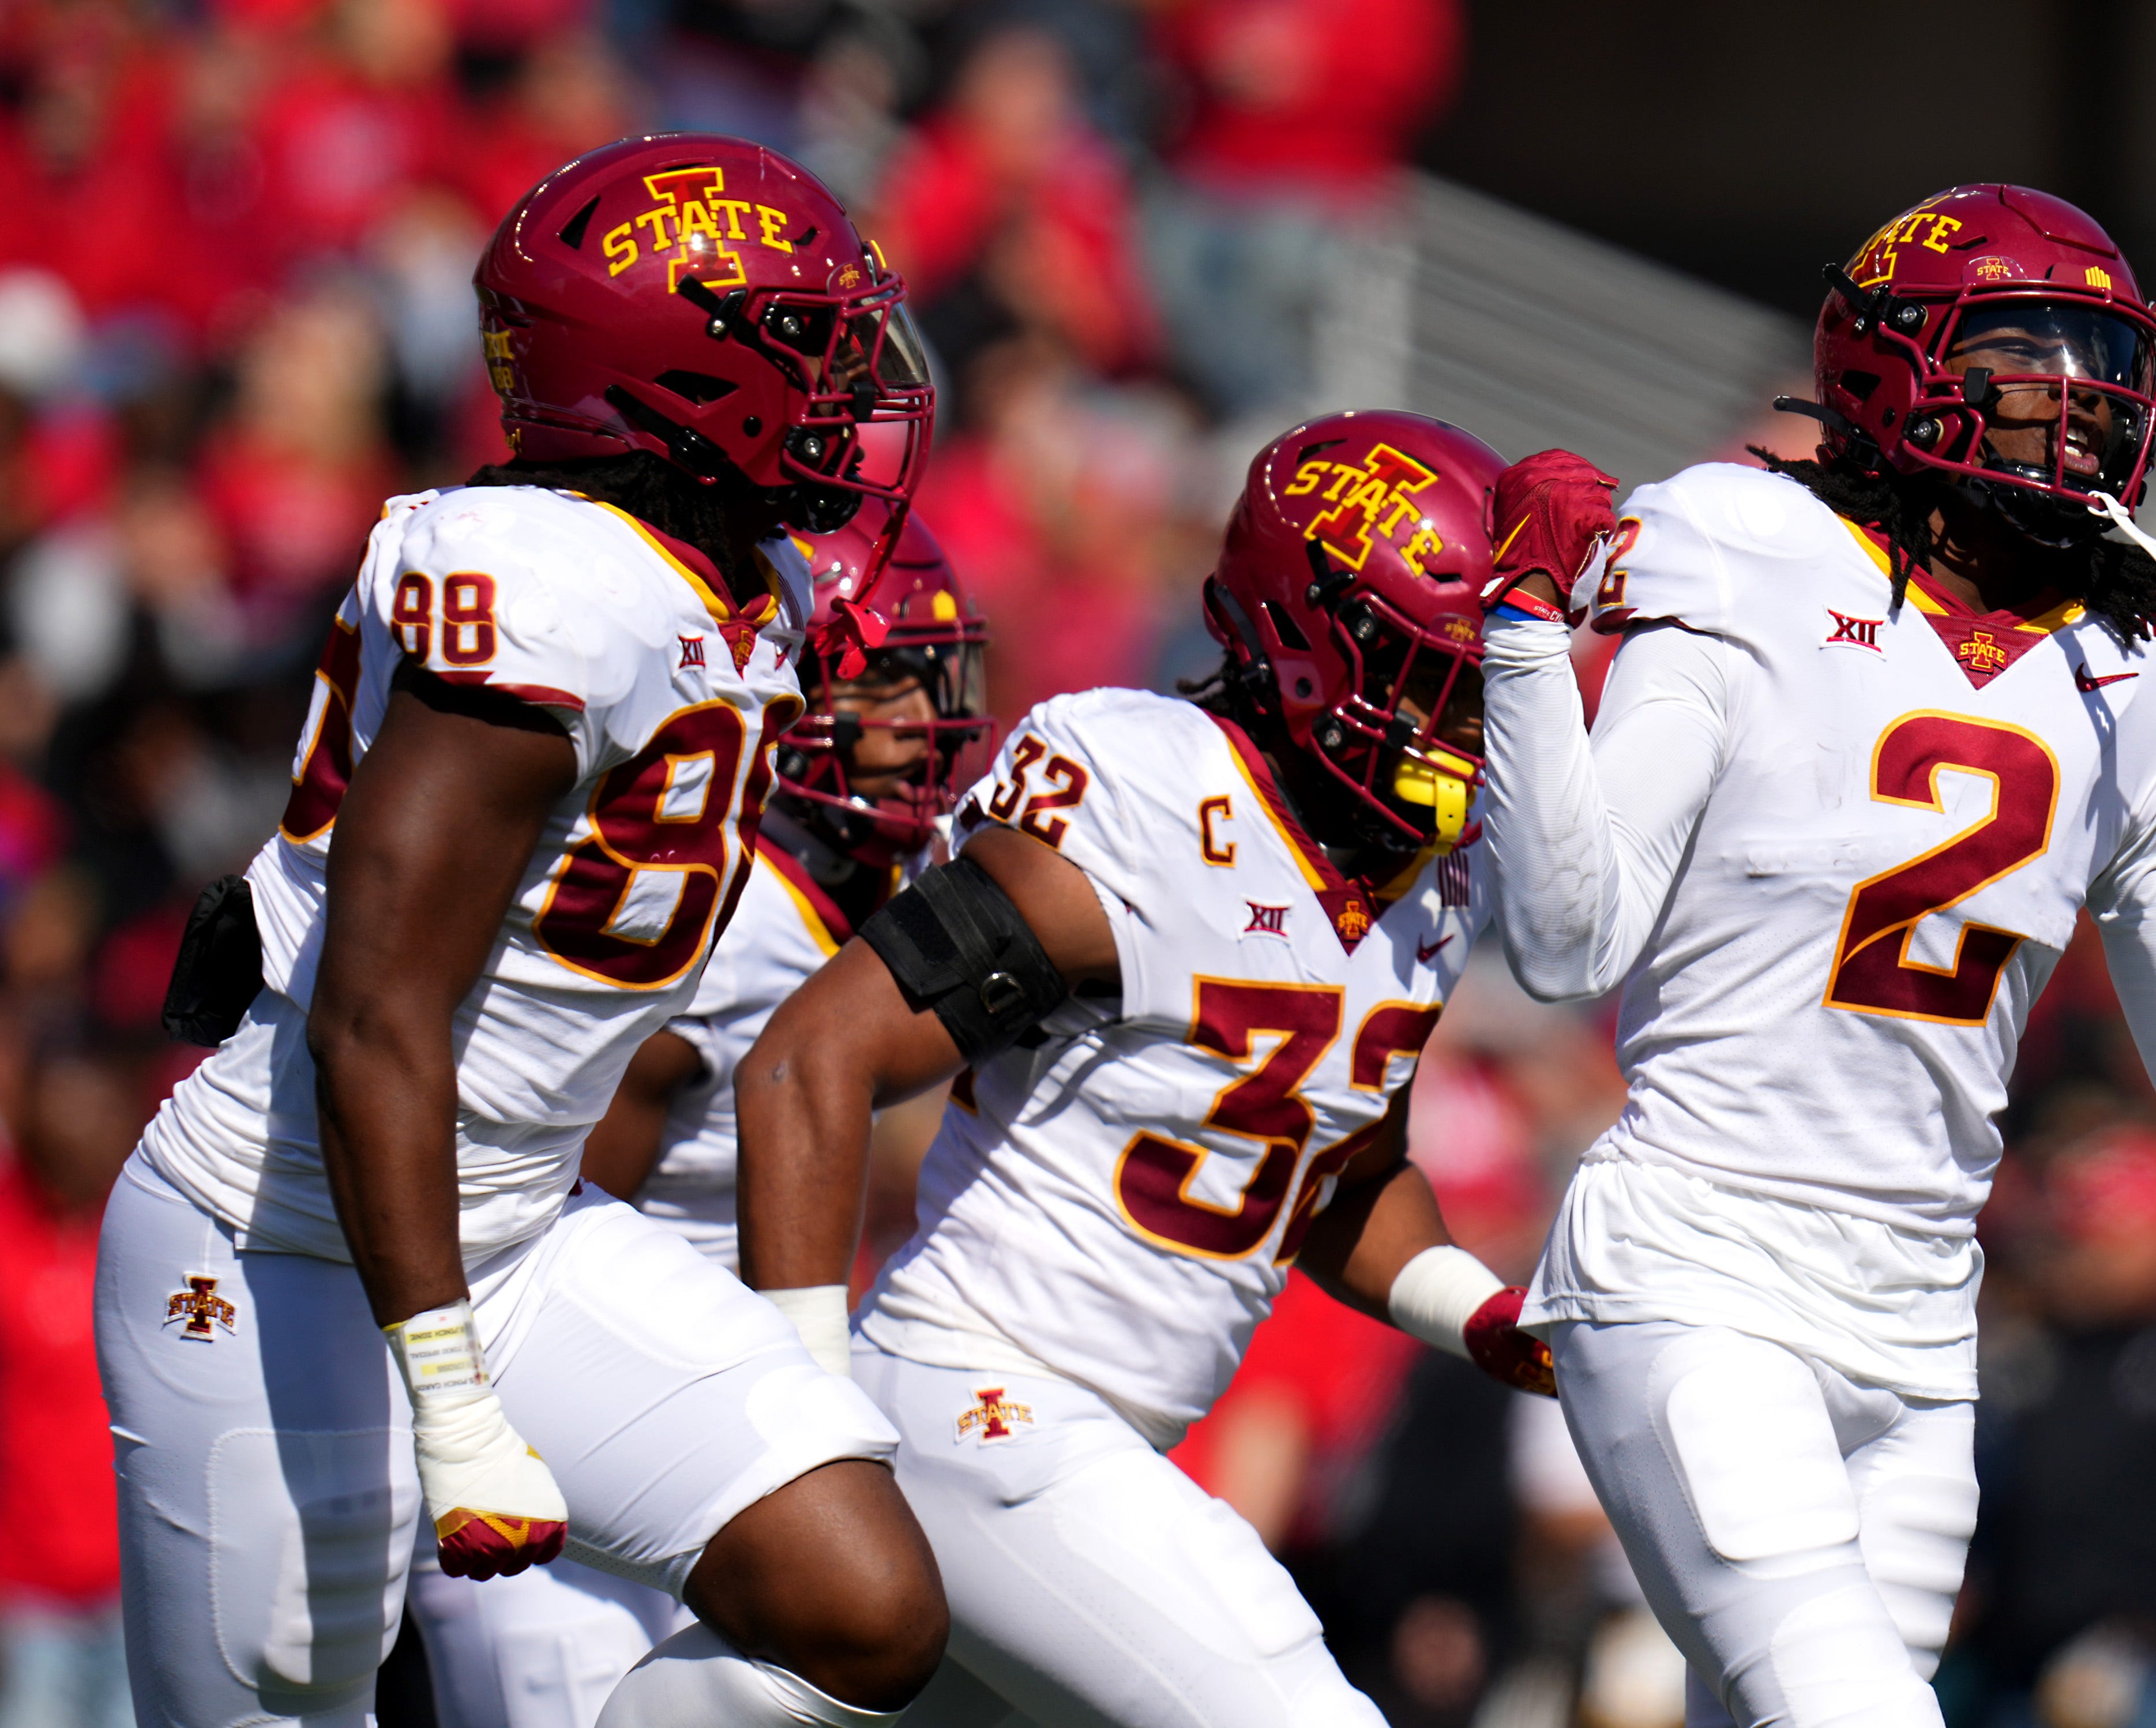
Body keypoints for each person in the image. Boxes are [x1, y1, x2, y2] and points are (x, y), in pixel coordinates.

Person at [1471, 183, 2156, 1728]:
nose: (2075, 413)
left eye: (2098, 373)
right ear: (1889, 370)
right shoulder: (1740, 548)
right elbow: (1564, 940)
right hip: (1696, 1267)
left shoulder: (2140, 664)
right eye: (2023, 367)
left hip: (1919, 1335)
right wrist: (1524, 634)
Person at [95, 133, 953, 1728]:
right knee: (290, 1691)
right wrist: (448, 1391)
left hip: (519, 1221)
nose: (852, 383)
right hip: (279, 1230)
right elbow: (372, 1013)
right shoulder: (551, 583)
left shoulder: (716, 566)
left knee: (865, 1605)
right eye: (807, 345)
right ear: (680, 375)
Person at [737, 408, 1556, 1728]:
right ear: (1314, 640)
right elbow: (810, 1059)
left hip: (1103, 1445)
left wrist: (1475, 1311)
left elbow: (1333, 1165)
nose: (1464, 724)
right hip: (975, 1394)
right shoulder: (1146, 789)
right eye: (1428, 677)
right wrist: (796, 1435)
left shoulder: (1429, 879)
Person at [407, 509, 991, 1728]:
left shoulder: (830, 903)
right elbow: (563, 1196)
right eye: (883, 686)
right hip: (566, 1446)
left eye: (930, 688)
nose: (911, 731)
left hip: (671, 1440)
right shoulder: (739, 911)